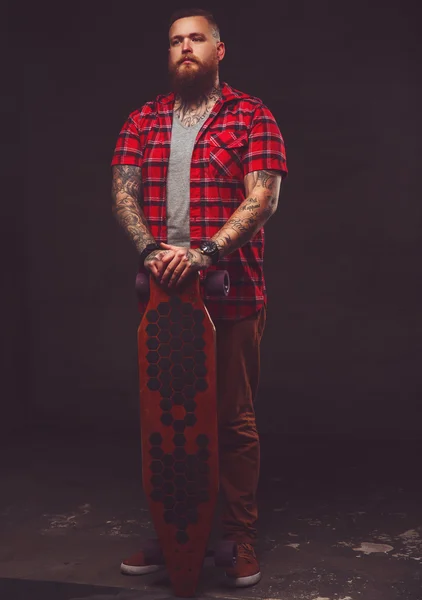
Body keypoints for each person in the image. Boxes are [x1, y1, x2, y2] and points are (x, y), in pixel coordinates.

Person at [111, 7, 288, 588]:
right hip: (163, 294)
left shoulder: (251, 117)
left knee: (232, 420)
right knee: (167, 421)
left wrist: (205, 253)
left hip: (230, 293)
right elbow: (124, 195)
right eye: (175, 42)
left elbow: (262, 199)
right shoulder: (145, 119)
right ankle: (175, 534)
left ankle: (238, 540)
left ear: (219, 50)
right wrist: (149, 251)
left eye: (196, 39)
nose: (185, 48)